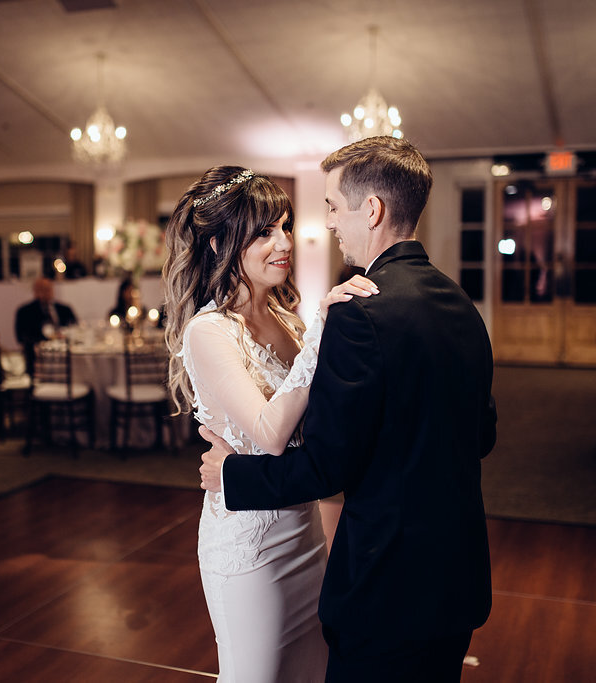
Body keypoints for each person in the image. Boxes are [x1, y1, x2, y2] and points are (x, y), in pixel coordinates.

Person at [199, 137, 498, 682]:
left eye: (333, 206)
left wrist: (233, 475)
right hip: (457, 574)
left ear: (374, 210)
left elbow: (329, 466)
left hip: (387, 581)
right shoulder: (460, 303)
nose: (328, 224)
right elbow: (483, 433)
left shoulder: (360, 313)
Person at [164, 165, 378, 682]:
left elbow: (319, 417)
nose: (284, 242)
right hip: (251, 550)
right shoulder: (209, 332)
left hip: (305, 535)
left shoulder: (287, 318)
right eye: (264, 232)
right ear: (218, 243)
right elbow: (269, 432)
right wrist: (325, 329)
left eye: (284, 226)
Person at [15, 277, 77, 374]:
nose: (45, 292)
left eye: (48, 289)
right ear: (35, 291)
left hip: (66, 353)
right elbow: (21, 337)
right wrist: (48, 339)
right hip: (38, 358)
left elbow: (75, 328)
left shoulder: (64, 309)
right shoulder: (25, 312)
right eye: (41, 289)